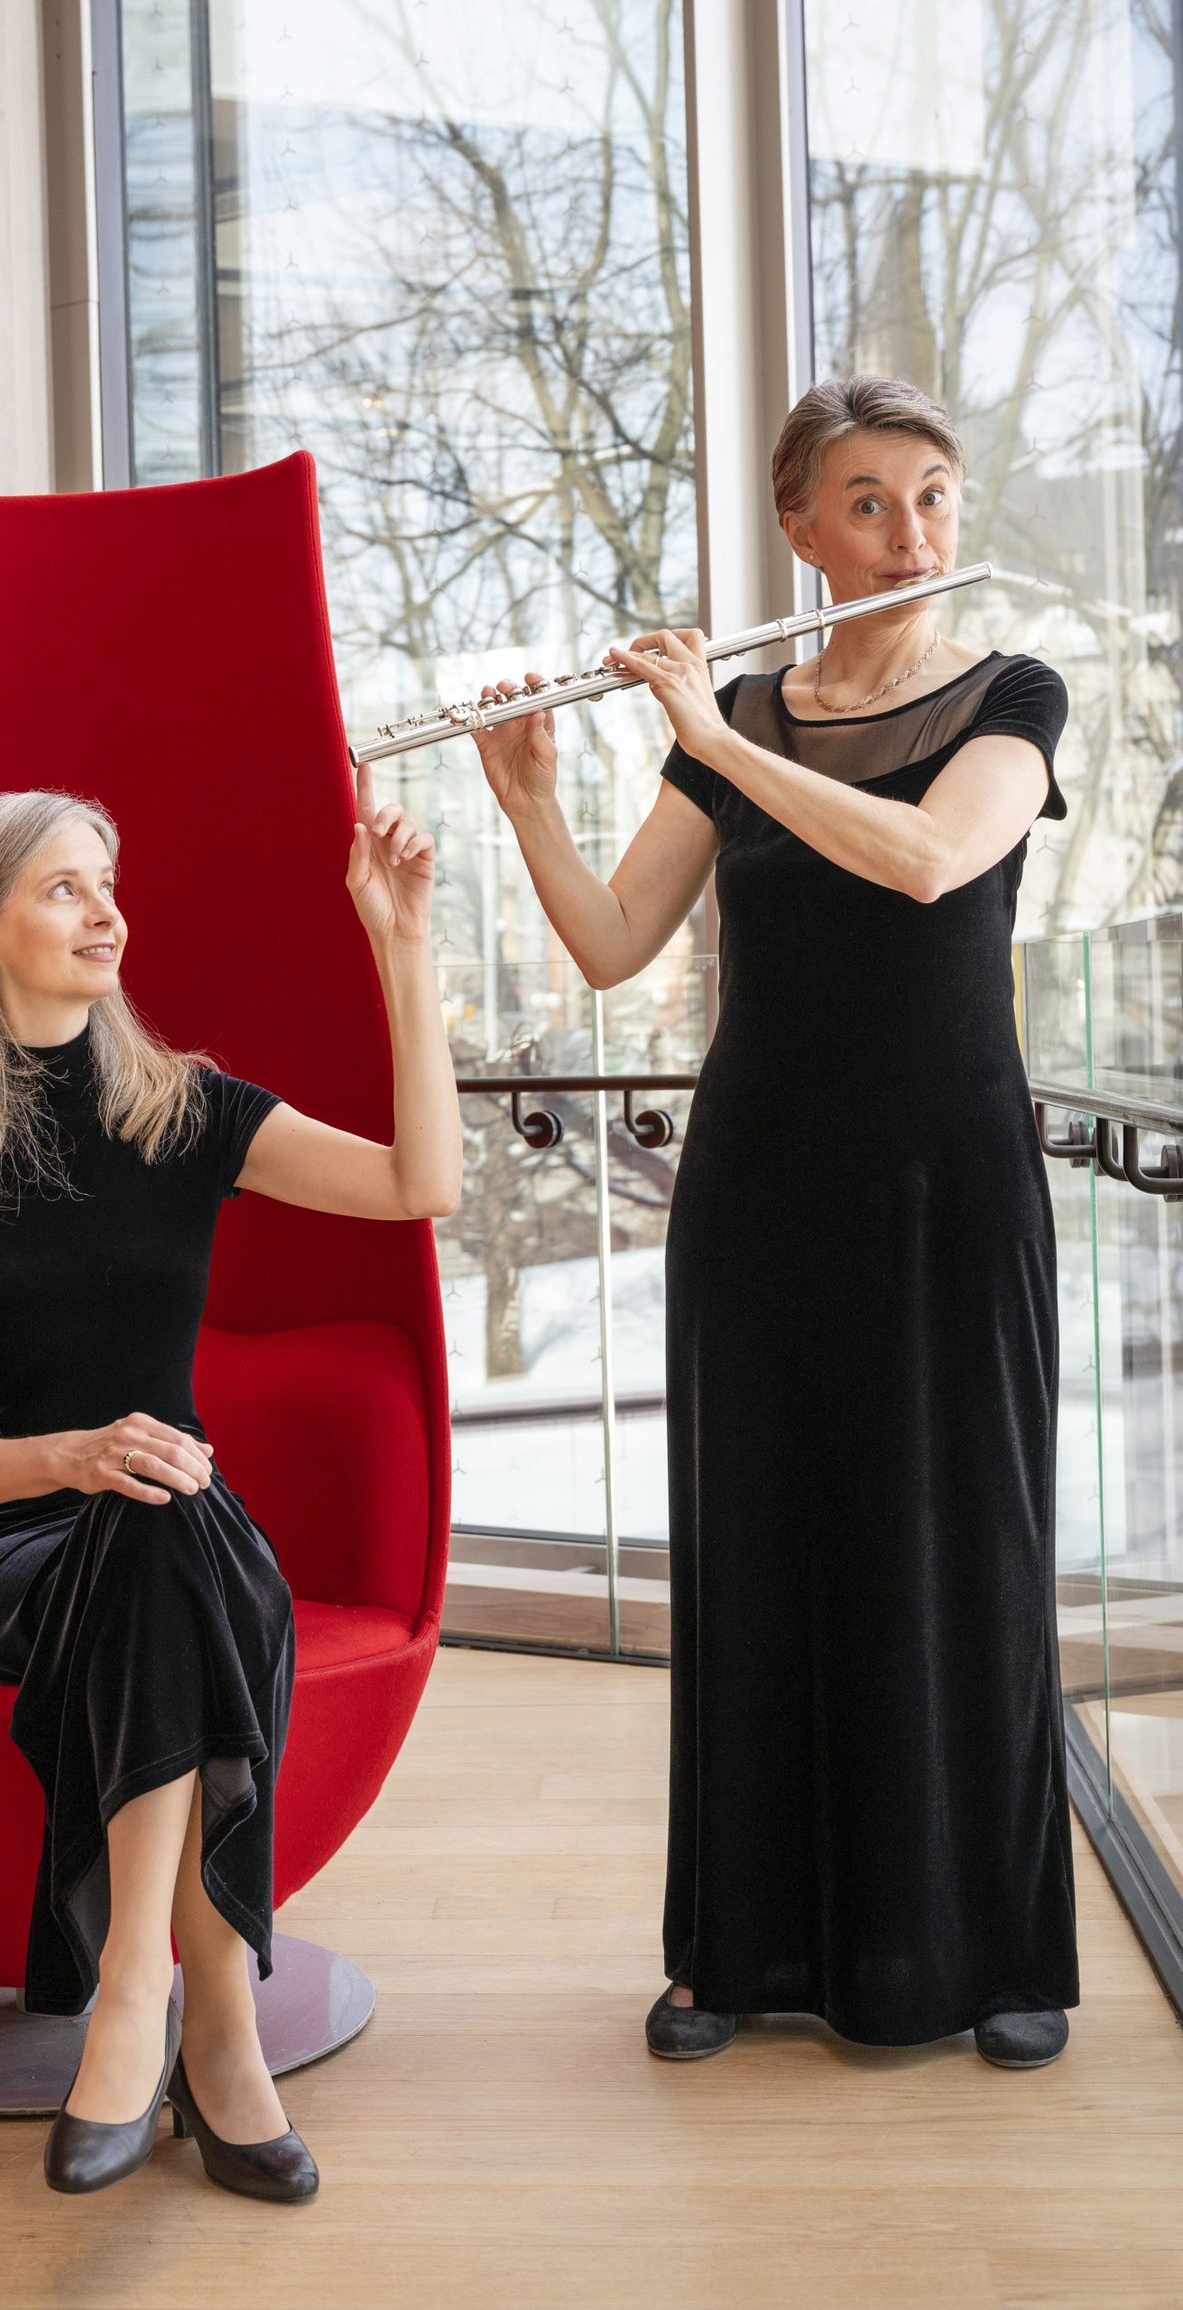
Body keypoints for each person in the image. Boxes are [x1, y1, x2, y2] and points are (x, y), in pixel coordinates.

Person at [470, 374, 1078, 2067]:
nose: (911, 532)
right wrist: (529, 797)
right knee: (761, 1546)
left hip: (948, 1182)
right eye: (868, 502)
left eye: (933, 494)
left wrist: (723, 744)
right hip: (761, 1189)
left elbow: (930, 861)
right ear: (802, 529)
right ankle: (739, 1949)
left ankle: (991, 1954)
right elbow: (614, 945)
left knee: (967, 1545)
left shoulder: (1014, 695)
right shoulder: (740, 709)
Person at [0, 774, 459, 2200]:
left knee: (164, 1515)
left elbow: (418, 1184)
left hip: (170, 1526)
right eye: (64, 886)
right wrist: (68, 1455)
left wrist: (404, 944)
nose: (106, 911)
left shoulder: (185, 1112)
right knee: (160, 1516)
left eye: (109, 884)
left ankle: (137, 1989)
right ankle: (212, 2018)